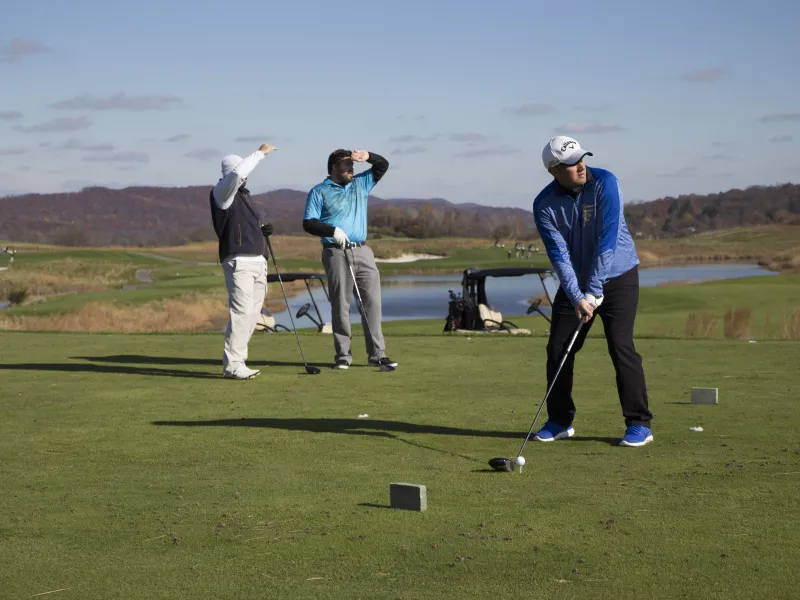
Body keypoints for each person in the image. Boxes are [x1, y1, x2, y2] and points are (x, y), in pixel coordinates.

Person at [532, 136, 653, 447]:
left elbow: (607, 241)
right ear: (555, 170)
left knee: (620, 346)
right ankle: (560, 420)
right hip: (578, 285)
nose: (581, 165)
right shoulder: (544, 205)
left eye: (581, 158)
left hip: (619, 277)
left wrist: (595, 290)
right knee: (558, 350)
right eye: (572, 163)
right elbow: (559, 256)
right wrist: (578, 297)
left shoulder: (605, 182)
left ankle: (639, 424)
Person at [302, 149, 397, 370]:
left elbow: (382, 165)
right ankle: (343, 355)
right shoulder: (319, 191)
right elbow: (308, 222)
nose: (351, 170)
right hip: (335, 252)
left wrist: (368, 156)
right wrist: (332, 230)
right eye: (346, 166)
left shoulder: (360, 183)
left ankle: (377, 354)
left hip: (362, 251)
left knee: (372, 304)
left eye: (352, 166)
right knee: (340, 305)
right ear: (334, 168)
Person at [210, 143, 277, 380]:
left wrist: (262, 230)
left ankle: (239, 361)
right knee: (241, 312)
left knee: (251, 314)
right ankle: (233, 364)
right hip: (239, 260)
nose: (245, 176)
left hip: (257, 260)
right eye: (241, 171)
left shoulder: (244, 196)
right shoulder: (222, 192)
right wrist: (260, 153)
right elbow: (238, 173)